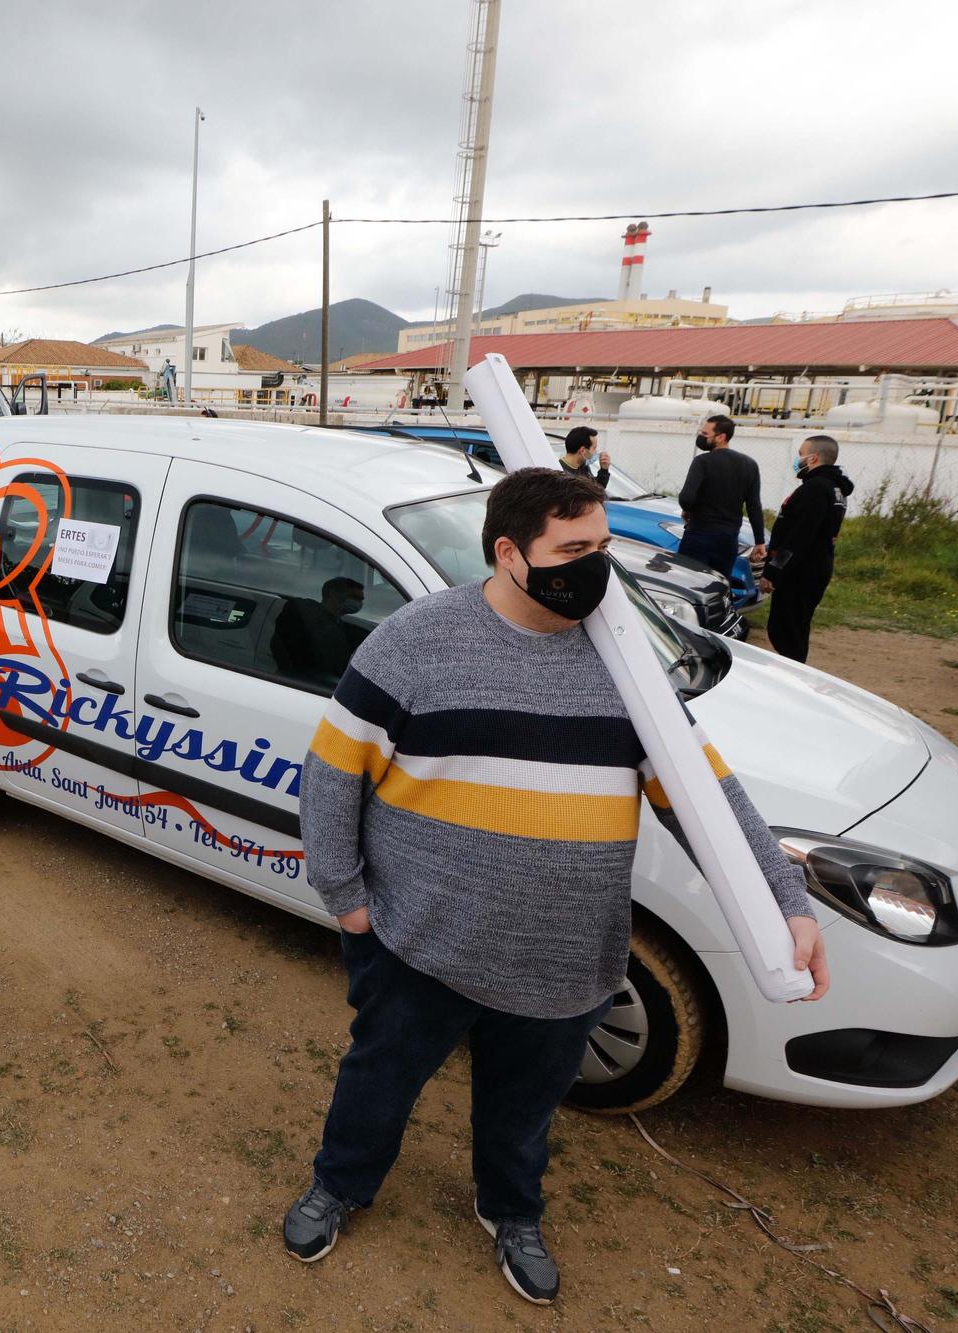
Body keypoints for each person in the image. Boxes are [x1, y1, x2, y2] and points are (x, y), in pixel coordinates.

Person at [281, 467, 826, 1304]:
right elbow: (331, 774)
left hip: (565, 959)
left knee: (524, 1110)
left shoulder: (625, 664)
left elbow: (706, 796)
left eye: (603, 546)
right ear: (508, 552)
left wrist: (783, 900)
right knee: (378, 1079)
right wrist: (347, 898)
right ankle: (341, 1184)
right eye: (574, 550)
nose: (596, 567)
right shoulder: (417, 641)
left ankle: (511, 1210)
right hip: (418, 942)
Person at [759, 434, 854, 663]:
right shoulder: (833, 488)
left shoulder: (816, 488)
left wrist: (773, 571)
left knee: (785, 630)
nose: (798, 459)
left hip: (801, 573)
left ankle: (794, 677)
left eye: (801, 454)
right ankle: (795, 668)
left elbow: (799, 537)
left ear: (814, 458)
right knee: (794, 627)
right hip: (813, 568)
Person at [676, 414, 764, 578]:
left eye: (705, 434)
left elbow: (686, 499)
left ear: (721, 437)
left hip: (699, 535)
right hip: (728, 539)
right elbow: (754, 506)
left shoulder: (702, 462)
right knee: (719, 584)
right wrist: (759, 541)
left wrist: (688, 510)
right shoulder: (750, 465)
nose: (701, 437)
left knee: (688, 581)